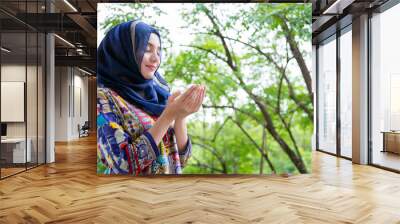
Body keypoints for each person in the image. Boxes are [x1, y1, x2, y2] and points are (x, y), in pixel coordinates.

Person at [97, 20, 206, 175]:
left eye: (158, 51)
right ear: (124, 52)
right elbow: (122, 164)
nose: (156, 59)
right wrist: (168, 116)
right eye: (147, 49)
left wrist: (181, 116)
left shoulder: (159, 96)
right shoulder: (104, 99)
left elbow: (181, 160)